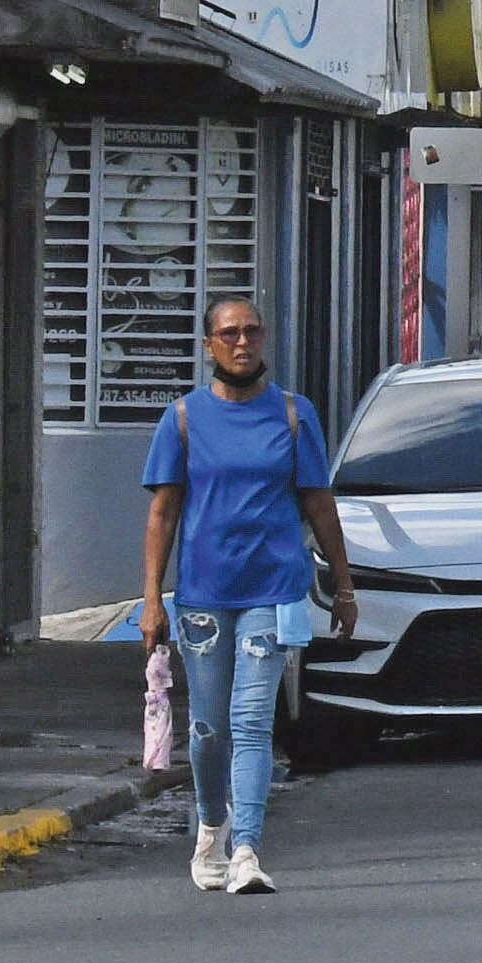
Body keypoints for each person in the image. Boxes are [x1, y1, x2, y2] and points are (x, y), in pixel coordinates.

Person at [140, 299, 353, 896]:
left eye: (253, 331)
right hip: (204, 597)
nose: (242, 342)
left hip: (274, 588)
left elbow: (319, 504)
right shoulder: (182, 419)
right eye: (229, 333)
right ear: (209, 345)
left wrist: (343, 584)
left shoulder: (293, 415)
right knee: (209, 728)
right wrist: (152, 601)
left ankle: (247, 850)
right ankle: (212, 825)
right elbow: (162, 514)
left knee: (253, 720)